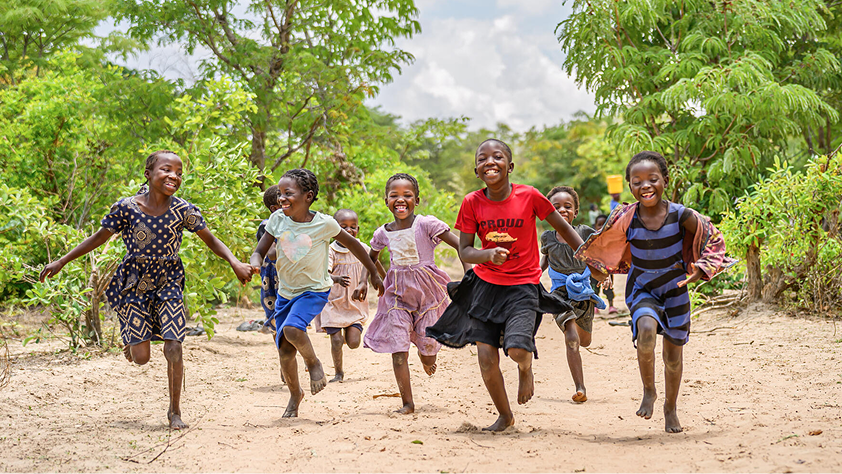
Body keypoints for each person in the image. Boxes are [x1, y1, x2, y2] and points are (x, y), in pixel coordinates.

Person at [39, 150, 255, 430]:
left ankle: (175, 412)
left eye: (179, 173)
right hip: (134, 283)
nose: (174, 176)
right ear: (148, 174)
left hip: (169, 280)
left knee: (174, 345)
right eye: (166, 170)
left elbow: (211, 240)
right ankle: (133, 340)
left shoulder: (184, 210)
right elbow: (97, 238)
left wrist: (235, 262)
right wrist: (61, 261)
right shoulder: (126, 208)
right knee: (141, 358)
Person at [426, 139, 596, 431]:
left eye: (497, 157)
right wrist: (487, 254)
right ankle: (505, 415)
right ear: (477, 170)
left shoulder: (529, 196)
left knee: (518, 350)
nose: (489, 162)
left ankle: (525, 368)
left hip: (523, 286)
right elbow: (465, 250)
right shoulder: (471, 202)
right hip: (485, 285)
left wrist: (591, 260)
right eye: (482, 159)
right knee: (485, 356)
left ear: (510, 166)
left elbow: (564, 229)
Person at [576, 150, 735, 433]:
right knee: (646, 330)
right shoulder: (626, 217)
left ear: (665, 181)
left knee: (673, 357)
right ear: (630, 186)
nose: (645, 186)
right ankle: (649, 390)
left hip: (675, 290)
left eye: (652, 179)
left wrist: (701, 267)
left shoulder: (681, 215)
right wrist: (599, 270)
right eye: (637, 182)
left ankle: (670, 408)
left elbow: (713, 237)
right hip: (642, 288)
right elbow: (603, 243)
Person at [250, 169, 384, 418]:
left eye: (288, 193)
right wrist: (254, 263)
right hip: (286, 294)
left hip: (314, 291)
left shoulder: (324, 223)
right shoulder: (277, 219)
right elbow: (260, 250)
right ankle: (295, 394)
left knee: (292, 330)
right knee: (285, 352)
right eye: (280, 194)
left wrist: (373, 273)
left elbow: (355, 245)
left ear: (308, 196)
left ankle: (313, 362)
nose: (281, 198)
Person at [364, 173, 470, 414]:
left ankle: (426, 354)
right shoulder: (383, 233)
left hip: (428, 295)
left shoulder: (426, 225)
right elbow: (371, 257)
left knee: (428, 352)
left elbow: (461, 246)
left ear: (417, 200)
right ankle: (407, 403)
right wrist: (374, 276)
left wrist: (468, 275)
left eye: (407, 195)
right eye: (394, 195)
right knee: (398, 351)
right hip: (397, 297)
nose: (400, 200)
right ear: (386, 201)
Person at [539, 186, 606, 403]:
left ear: (575, 212)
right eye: (556, 207)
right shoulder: (547, 237)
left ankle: (578, 330)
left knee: (584, 341)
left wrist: (605, 275)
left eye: (567, 207)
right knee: (571, 335)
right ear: (548, 212)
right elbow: (545, 260)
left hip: (583, 292)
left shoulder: (585, 232)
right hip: (559, 293)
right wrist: (532, 275)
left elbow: (598, 255)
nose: (562, 210)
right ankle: (580, 387)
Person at [314, 209, 381, 383]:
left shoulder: (362, 248)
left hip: (355, 304)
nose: (348, 230)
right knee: (336, 341)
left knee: (353, 343)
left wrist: (384, 280)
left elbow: (374, 263)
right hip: (334, 304)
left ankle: (344, 333)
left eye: (352, 227)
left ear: (358, 229)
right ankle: (339, 373)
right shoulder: (330, 251)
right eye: (343, 227)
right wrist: (336, 278)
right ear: (334, 229)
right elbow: (323, 274)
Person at [256, 185, 281, 333]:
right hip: (272, 276)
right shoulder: (266, 226)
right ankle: (280, 346)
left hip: (291, 276)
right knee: (275, 317)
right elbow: (271, 253)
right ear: (274, 208)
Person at [592, 214, 619, 315]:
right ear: (595, 226)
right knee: (594, 288)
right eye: (599, 224)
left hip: (607, 269)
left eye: (604, 224)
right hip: (594, 269)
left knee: (609, 288)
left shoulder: (610, 240)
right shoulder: (592, 238)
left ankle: (611, 305)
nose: (601, 227)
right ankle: (595, 306)